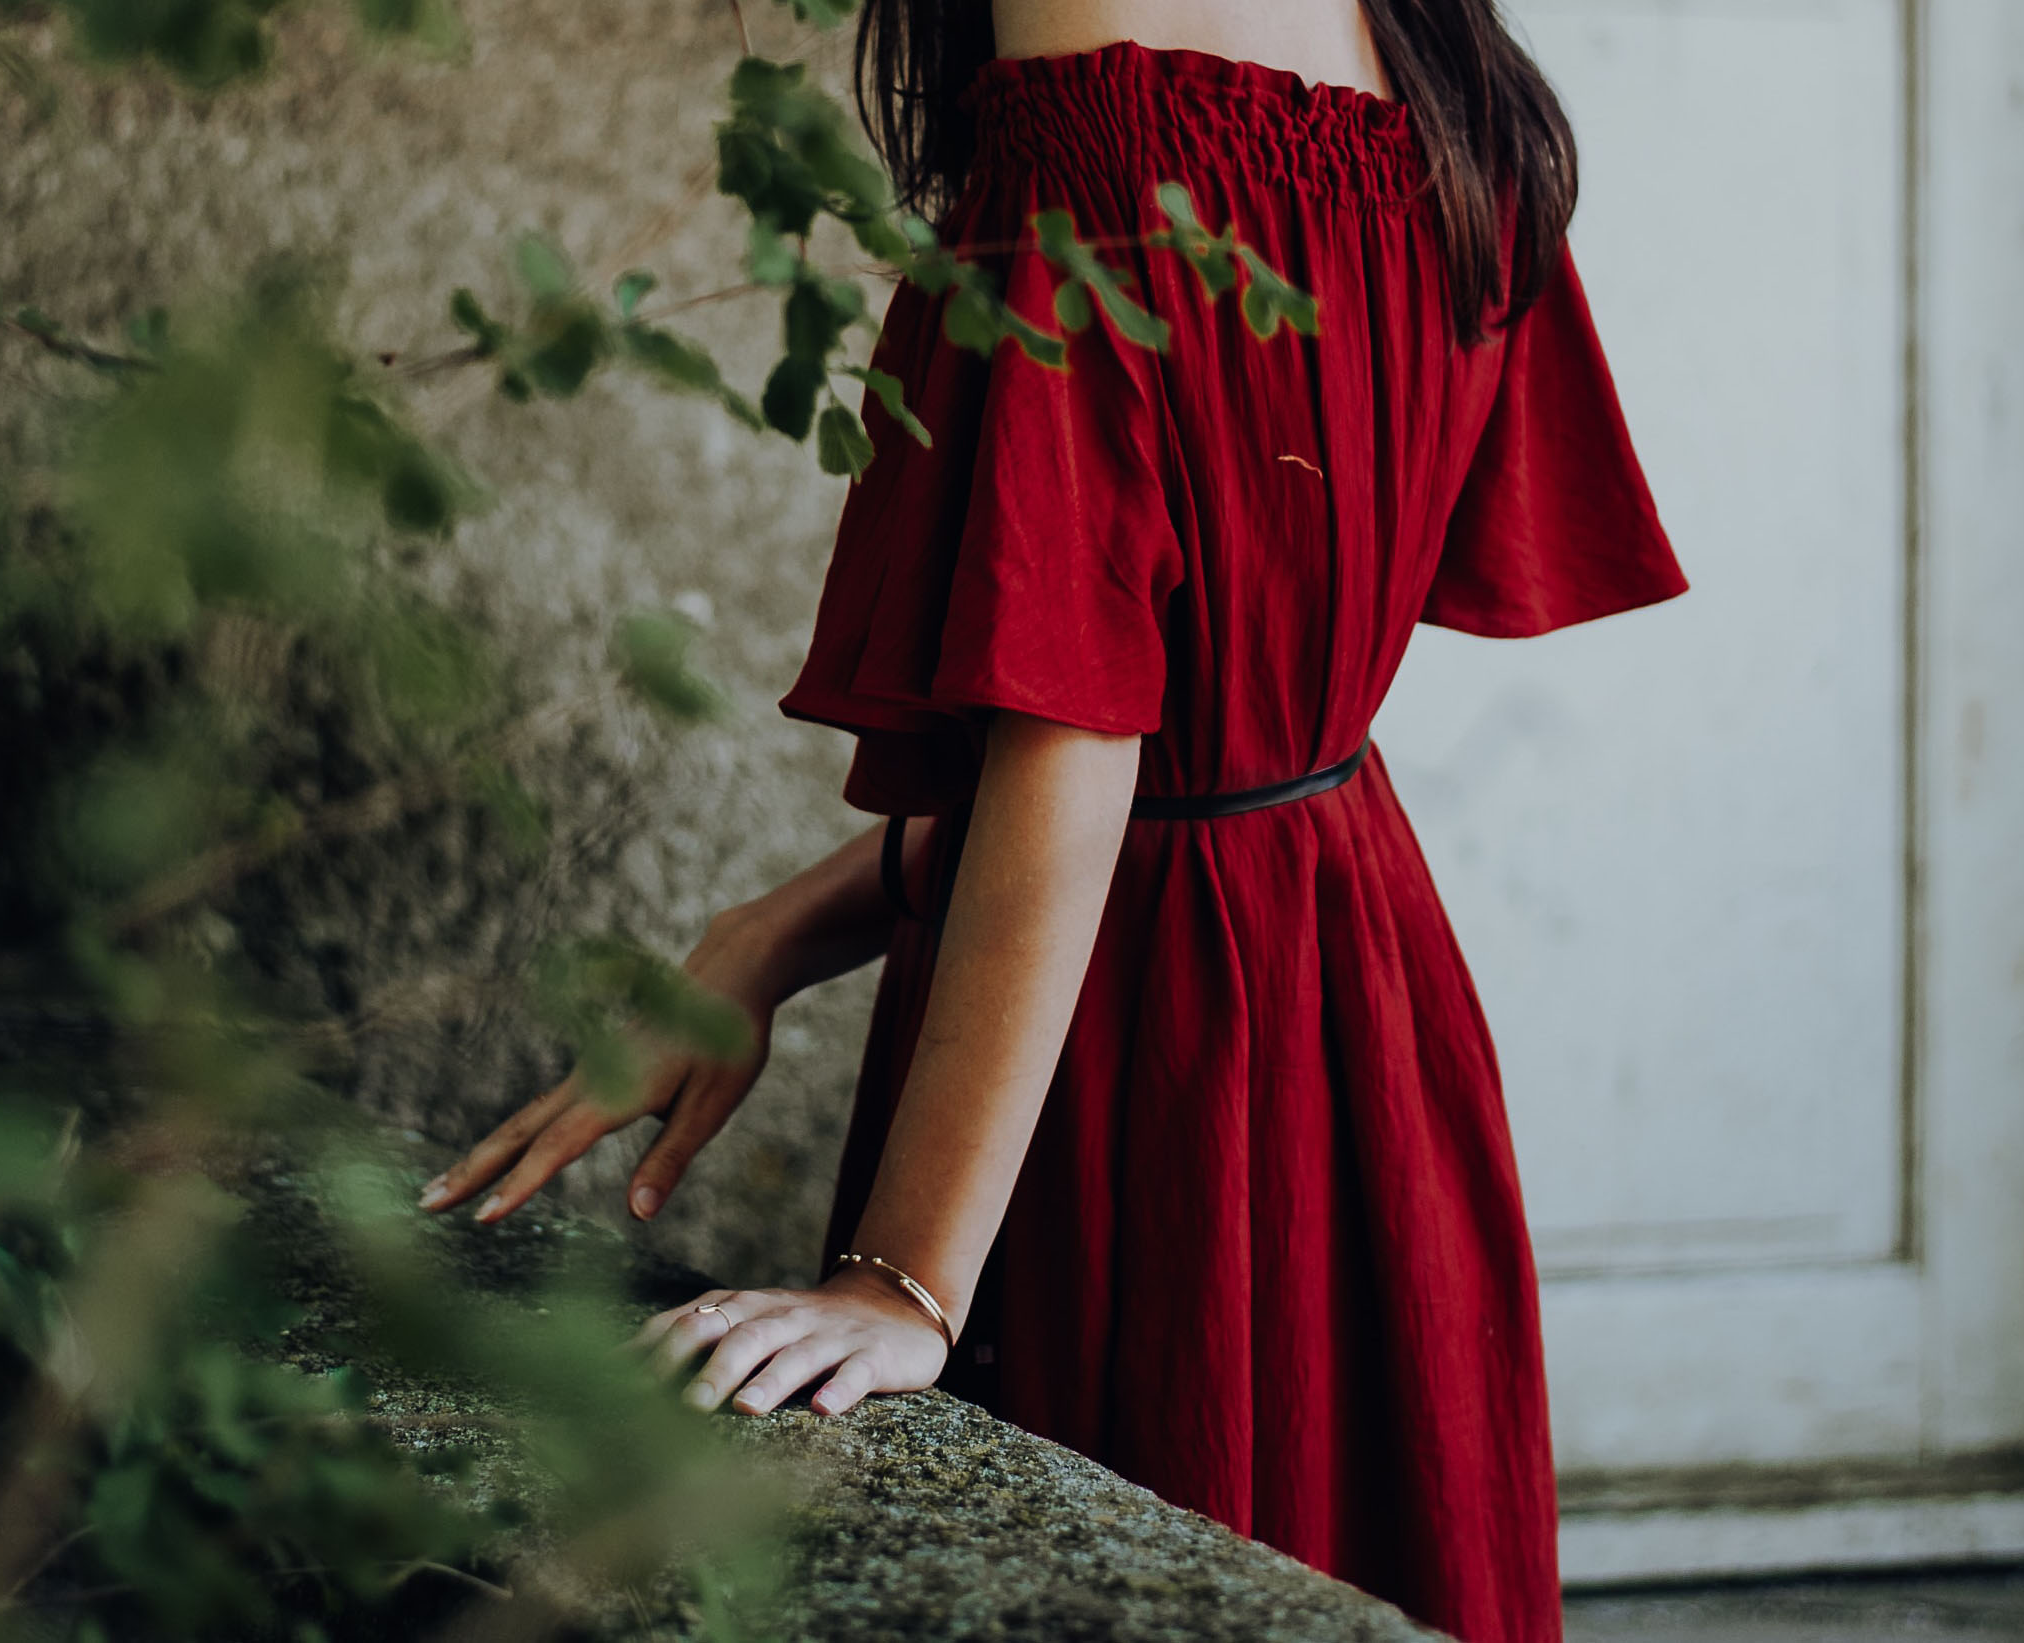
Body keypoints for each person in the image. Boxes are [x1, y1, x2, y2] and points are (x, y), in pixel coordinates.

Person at [420, 1, 1685, 1636]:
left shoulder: (1096, 55)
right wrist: (775, 933)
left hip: (1152, 1068)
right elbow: (1229, 748)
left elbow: (1086, 736)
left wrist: (901, 1281)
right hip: (1354, 994)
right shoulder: (1435, 66)